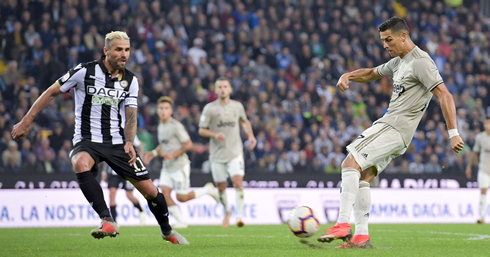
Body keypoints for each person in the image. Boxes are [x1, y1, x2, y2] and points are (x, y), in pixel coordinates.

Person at [11, 31, 188, 244]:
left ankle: (167, 230)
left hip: (116, 142)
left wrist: (130, 141)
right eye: (119, 50)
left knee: (150, 191)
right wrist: (26, 121)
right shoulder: (84, 72)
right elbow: (50, 92)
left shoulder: (131, 80)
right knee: (80, 162)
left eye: (127, 50)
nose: (124, 55)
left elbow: (131, 114)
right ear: (106, 51)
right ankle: (107, 219)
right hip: (87, 139)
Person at [317, 17, 464, 248]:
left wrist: (453, 132)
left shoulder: (421, 62)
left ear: (403, 36)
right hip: (399, 134)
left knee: (349, 164)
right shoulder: (398, 61)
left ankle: (342, 223)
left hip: (394, 126)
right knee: (363, 176)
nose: (385, 45)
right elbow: (372, 73)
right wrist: (348, 76)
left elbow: (445, 95)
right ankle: (361, 237)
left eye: (389, 39)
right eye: (383, 41)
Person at [144, 96, 219, 229]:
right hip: (167, 167)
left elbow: (188, 144)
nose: (163, 111)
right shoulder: (161, 126)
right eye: (161, 108)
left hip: (180, 166)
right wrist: (154, 153)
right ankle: (181, 221)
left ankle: (207, 189)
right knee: (164, 193)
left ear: (171, 111)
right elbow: (164, 145)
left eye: (166, 108)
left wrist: (173, 155)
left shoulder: (176, 126)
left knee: (182, 197)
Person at [198, 77, 257, 227]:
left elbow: (244, 121)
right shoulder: (209, 108)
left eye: (225, 86)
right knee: (221, 186)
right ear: (216, 90)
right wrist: (214, 134)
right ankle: (227, 210)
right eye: (220, 87)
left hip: (235, 152)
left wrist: (250, 136)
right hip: (217, 155)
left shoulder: (237, 107)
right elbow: (201, 130)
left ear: (230, 89)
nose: (223, 89)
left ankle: (239, 215)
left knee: (238, 182)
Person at [102, 135, 145, 225]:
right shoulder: (110, 134)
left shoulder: (130, 135)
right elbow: (106, 154)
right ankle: (114, 221)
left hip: (127, 170)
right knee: (111, 194)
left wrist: (138, 162)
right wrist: (104, 171)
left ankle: (141, 211)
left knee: (129, 195)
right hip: (113, 171)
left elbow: (140, 148)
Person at [465, 116, 490, 224]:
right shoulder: (480, 137)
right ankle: (482, 217)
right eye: (486, 123)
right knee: (483, 191)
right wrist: (469, 166)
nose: (487, 126)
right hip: (484, 168)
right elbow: (475, 152)